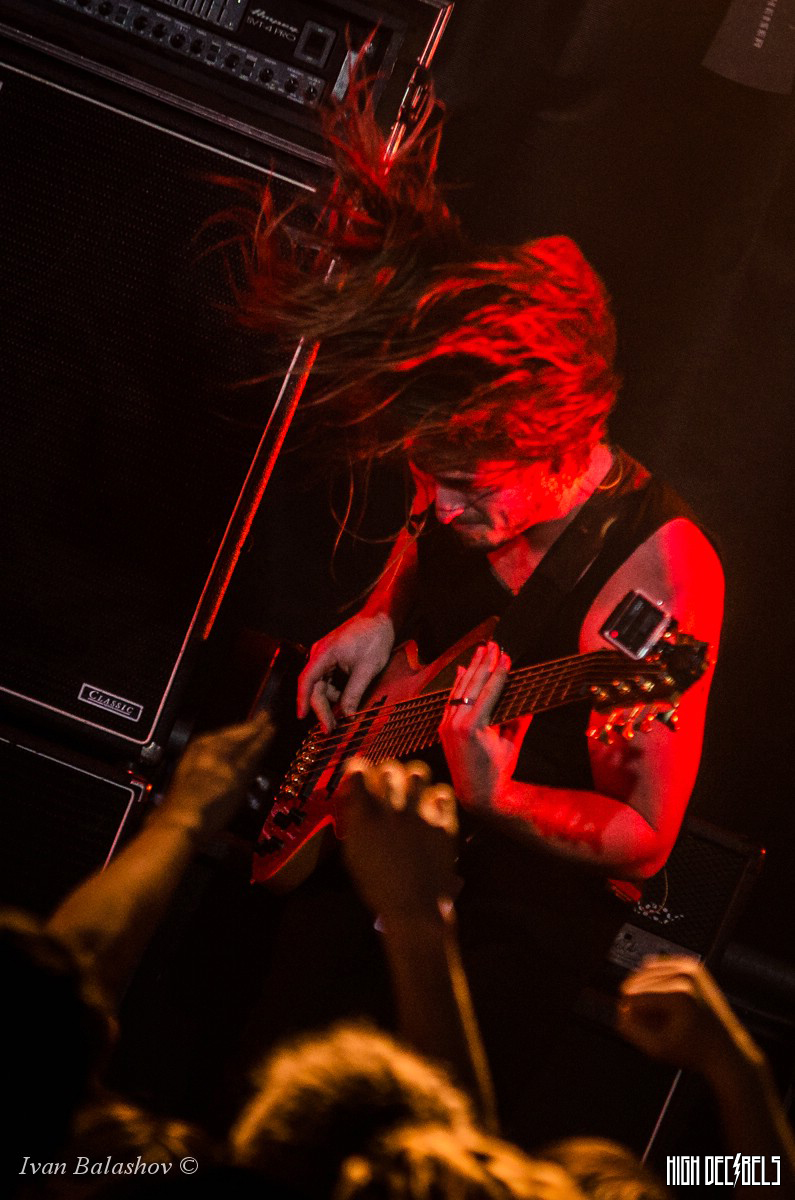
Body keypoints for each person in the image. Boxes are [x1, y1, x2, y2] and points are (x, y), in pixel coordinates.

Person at [233, 79, 724, 1141]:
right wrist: (381, 608)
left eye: (471, 489)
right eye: (432, 476)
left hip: (495, 943)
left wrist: (500, 801)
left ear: (560, 442)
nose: (445, 506)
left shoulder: (657, 582)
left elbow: (643, 835)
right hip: (370, 844)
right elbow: (428, 511)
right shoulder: (466, 454)